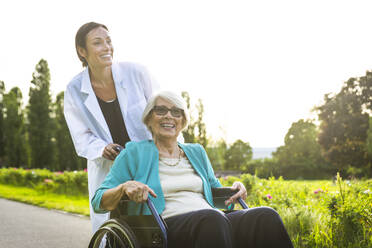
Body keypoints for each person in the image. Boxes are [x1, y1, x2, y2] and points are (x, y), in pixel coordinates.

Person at [92, 91, 294, 248]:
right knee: (212, 219)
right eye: (160, 110)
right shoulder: (133, 153)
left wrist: (234, 191)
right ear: (149, 119)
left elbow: (215, 193)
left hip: (211, 220)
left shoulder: (196, 151)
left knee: (265, 215)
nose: (168, 116)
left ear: (183, 121)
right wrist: (124, 187)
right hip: (165, 226)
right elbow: (98, 201)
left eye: (176, 112)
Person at [64, 22, 158, 233]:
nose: (107, 47)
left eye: (108, 41)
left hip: (148, 160)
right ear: (82, 51)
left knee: (154, 223)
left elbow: (164, 113)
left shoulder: (137, 73)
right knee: (113, 227)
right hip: (110, 168)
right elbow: (81, 137)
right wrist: (101, 148)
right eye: (98, 43)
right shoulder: (74, 90)